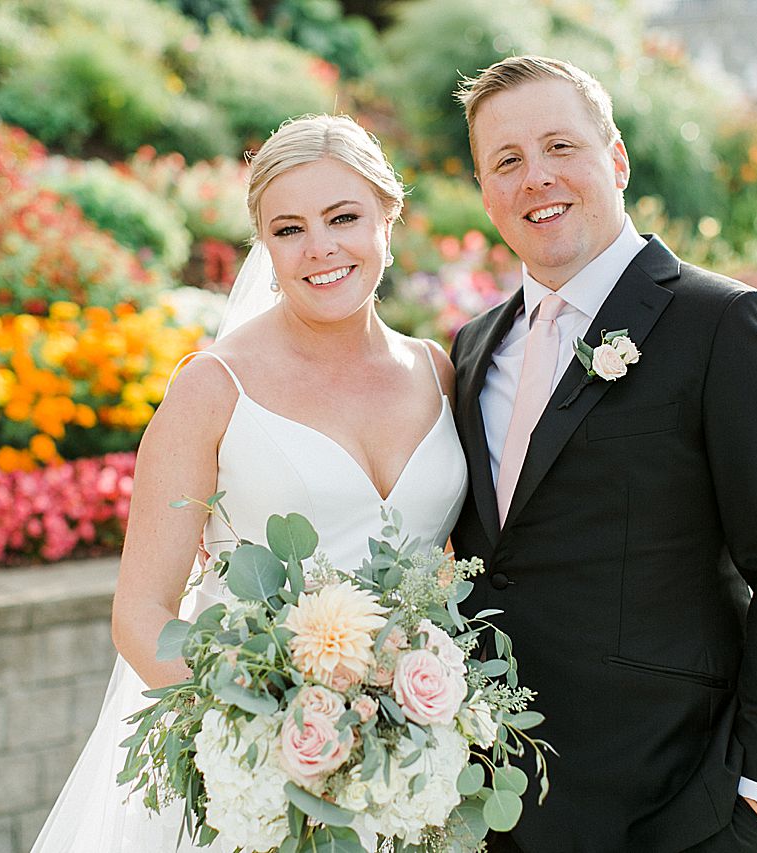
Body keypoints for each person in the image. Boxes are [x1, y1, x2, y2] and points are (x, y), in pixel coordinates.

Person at [31, 114, 468, 851]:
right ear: (263, 244)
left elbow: (451, 567)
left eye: (343, 217)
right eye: (289, 228)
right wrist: (257, 739)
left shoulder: (438, 371)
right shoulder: (212, 388)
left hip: (409, 774)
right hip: (262, 787)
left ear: (388, 214)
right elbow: (141, 611)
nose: (321, 247)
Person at [448, 56, 757, 852]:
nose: (536, 178)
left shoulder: (729, 326)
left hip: (674, 809)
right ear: (486, 189)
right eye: (508, 161)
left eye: (561, 146)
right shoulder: (471, 348)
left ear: (617, 158)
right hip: (491, 806)